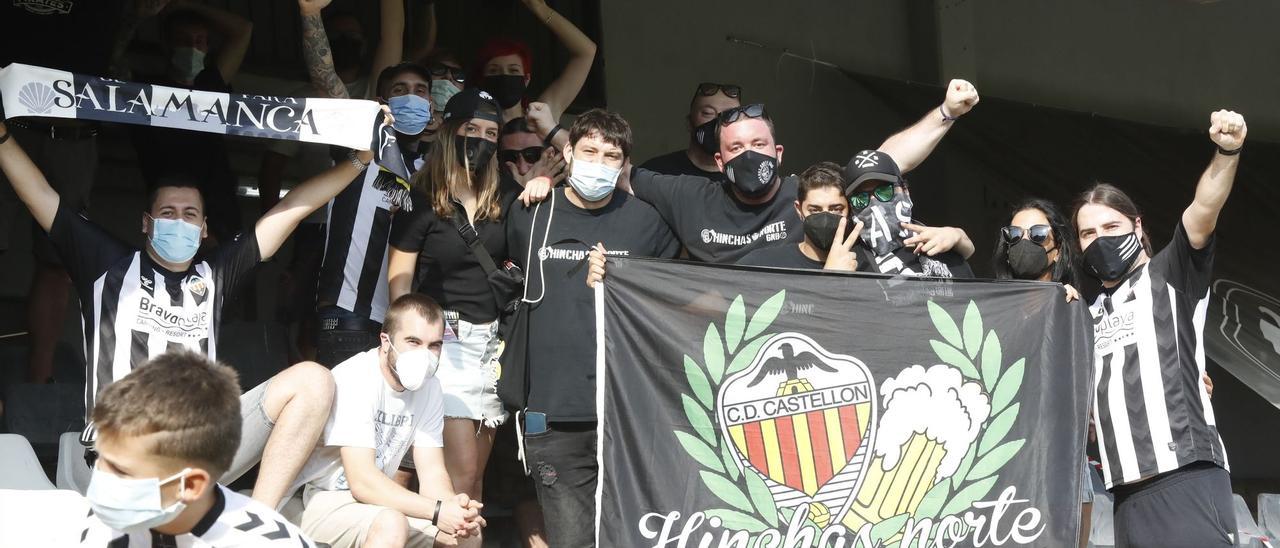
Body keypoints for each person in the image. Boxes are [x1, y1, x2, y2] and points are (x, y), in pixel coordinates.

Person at [0, 116, 397, 508]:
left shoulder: (217, 273)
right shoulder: (106, 264)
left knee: (313, 380)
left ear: (204, 228)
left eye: (189, 214)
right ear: (146, 223)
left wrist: (360, 159)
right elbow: (39, 193)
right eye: (168, 213)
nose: (179, 221)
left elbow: (293, 208)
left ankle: (255, 522)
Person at [528, 79, 980, 264]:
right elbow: (607, 164)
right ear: (720, 161)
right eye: (737, 148)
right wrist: (554, 151)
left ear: (778, 153)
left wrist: (946, 111)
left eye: (759, 145)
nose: (750, 155)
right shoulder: (688, 195)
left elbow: (886, 160)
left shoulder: (808, 197)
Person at [1073, 109, 1245, 548]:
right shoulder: (1087, 314)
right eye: (1088, 233)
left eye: (1111, 226)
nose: (1101, 239)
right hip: (1125, 493)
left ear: (1137, 225)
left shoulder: (1170, 273)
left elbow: (1204, 209)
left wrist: (1227, 151)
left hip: (1185, 476)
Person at [507, 109, 679, 545]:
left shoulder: (648, 221)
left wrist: (620, 279)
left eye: (611, 156)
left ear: (624, 166)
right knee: (572, 540)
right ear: (567, 151)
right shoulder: (530, 212)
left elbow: (673, 300)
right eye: (589, 151)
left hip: (629, 414)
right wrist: (537, 184)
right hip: (554, 414)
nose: (599, 163)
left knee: (635, 537)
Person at [386, 88, 512, 509]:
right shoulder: (420, 199)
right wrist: (402, 348)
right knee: (463, 478)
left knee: (474, 488)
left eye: (491, 132)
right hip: (446, 343)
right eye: (471, 128)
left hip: (493, 348)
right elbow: (399, 280)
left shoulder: (505, 196)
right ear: (448, 131)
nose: (481, 139)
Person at [290, 294, 486, 548]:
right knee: (391, 525)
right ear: (385, 341)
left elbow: (433, 473)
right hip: (319, 500)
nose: (425, 355)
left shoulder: (431, 388)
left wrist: (454, 508)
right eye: (413, 342)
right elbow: (362, 482)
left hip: (375, 506)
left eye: (434, 345)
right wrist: (437, 511)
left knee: (467, 539)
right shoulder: (357, 377)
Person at [0, 0, 126, 386]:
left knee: (59, 261)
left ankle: (42, 378)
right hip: (8, 120)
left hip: (72, 133)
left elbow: (128, 29)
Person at [79, 350, 316, 547]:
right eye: (98, 459)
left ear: (190, 485)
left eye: (121, 471)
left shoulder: (267, 542)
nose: (101, 477)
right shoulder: (89, 528)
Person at [306, 61, 436, 367]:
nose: (411, 98)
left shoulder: (429, 171)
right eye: (400, 90)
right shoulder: (360, 147)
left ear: (430, 106)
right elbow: (324, 78)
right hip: (350, 317)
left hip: (404, 326)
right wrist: (310, 14)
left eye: (420, 91)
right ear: (381, 102)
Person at [129, 2, 255, 244]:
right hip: (170, 211)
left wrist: (181, 3)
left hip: (221, 209)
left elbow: (243, 30)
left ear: (208, 48)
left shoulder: (211, 85)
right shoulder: (145, 91)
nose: (192, 47)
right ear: (167, 45)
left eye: (200, 41)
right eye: (184, 40)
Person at [842, 149, 976, 277]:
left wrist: (958, 236)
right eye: (860, 198)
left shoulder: (941, 243)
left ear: (905, 191)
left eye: (884, 191)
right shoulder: (851, 264)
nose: (874, 202)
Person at [473, 0, 597, 122]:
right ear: (482, 79)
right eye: (494, 70)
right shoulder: (473, 124)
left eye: (513, 70)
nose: (505, 76)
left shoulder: (541, 115)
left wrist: (541, 9)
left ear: (526, 79)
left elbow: (586, 52)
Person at [738, 162, 861, 270]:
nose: (825, 218)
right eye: (815, 210)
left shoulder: (868, 265)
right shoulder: (763, 264)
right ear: (799, 210)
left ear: (849, 209)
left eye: (835, 209)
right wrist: (831, 278)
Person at [639, 82, 742, 181]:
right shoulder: (654, 174)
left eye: (730, 115)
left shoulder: (751, 177)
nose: (718, 122)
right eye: (707, 113)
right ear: (689, 122)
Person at [499, 118, 566, 189]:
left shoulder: (570, 192)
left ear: (550, 155)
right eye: (510, 157)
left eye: (531, 155)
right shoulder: (495, 191)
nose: (523, 169)